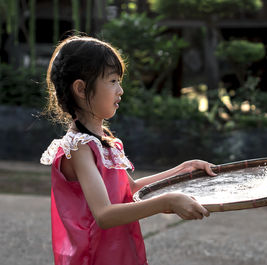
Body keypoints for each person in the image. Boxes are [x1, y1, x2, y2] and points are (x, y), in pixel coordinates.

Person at [40, 35, 217, 265]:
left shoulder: (100, 140)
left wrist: (184, 169)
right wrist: (167, 202)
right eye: (112, 81)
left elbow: (129, 190)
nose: (120, 90)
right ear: (81, 88)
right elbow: (104, 215)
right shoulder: (79, 147)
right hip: (96, 258)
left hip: (119, 254)